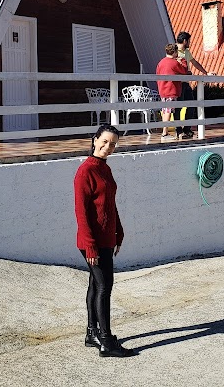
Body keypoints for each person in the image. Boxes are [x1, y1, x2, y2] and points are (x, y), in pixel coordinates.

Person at [74, 124, 137, 357]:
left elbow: (109, 204)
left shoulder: (104, 168)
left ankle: (92, 333)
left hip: (106, 238)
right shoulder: (85, 171)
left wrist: (119, 231)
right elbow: (81, 212)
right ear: (94, 139)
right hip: (93, 242)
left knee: (95, 285)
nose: (107, 147)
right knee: (104, 287)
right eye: (104, 141)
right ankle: (107, 341)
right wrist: (90, 245)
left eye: (112, 144)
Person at [175, 31, 214, 139]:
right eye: (189, 41)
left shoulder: (187, 52)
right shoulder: (174, 51)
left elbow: (194, 63)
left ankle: (187, 129)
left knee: (191, 105)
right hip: (178, 84)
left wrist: (205, 73)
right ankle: (178, 130)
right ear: (185, 41)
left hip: (186, 83)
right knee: (178, 107)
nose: (190, 43)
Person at [155, 43, 189, 140]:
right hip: (171, 90)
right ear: (174, 52)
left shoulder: (160, 63)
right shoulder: (174, 63)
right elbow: (184, 70)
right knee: (169, 111)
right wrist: (182, 60)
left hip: (162, 89)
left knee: (165, 110)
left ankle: (164, 132)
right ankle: (165, 133)